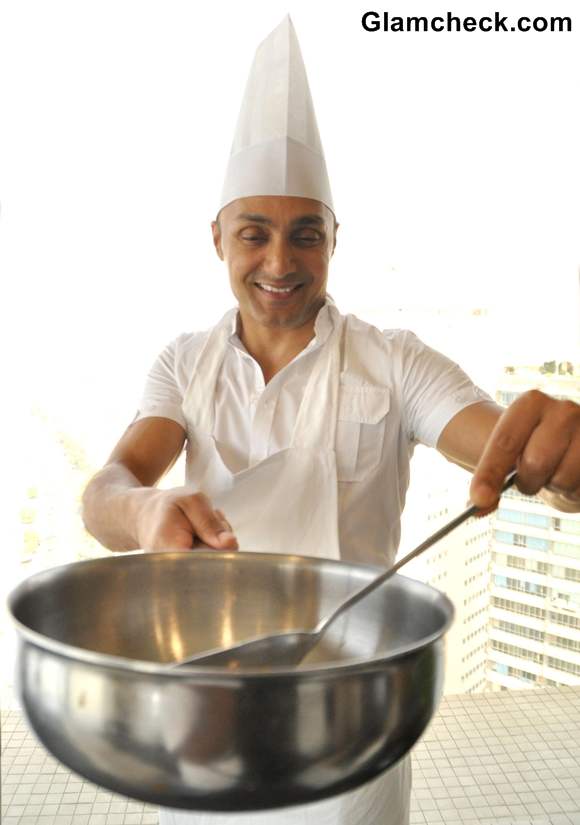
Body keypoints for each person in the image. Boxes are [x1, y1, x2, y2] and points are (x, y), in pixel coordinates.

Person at [81, 15, 580, 825]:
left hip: (354, 734)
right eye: (255, 234)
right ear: (217, 239)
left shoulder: (397, 362)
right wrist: (143, 509)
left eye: (305, 235)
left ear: (334, 241)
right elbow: (108, 486)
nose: (280, 263)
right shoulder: (183, 365)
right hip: (213, 716)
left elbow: (502, 447)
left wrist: (562, 466)